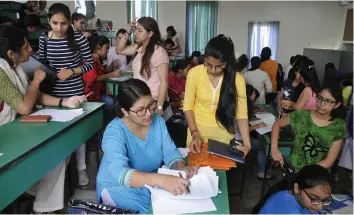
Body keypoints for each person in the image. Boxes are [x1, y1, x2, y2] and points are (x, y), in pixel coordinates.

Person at [0, 25, 86, 213]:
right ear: (11, 53)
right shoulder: (0, 72)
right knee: (53, 155)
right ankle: (36, 200)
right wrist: (37, 81)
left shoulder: (16, 68)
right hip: (6, 139)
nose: (30, 49)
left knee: (61, 150)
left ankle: (42, 205)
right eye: (25, 47)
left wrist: (65, 102)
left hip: (20, 131)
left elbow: (34, 96)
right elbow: (24, 105)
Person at [96, 79, 198, 213]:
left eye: (151, 105)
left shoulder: (158, 121)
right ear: (125, 111)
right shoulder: (115, 132)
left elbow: (170, 153)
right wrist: (162, 180)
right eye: (140, 110)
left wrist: (180, 169)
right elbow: (121, 174)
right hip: (119, 188)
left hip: (150, 183)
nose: (149, 113)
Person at [37, 3, 94, 186]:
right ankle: (58, 172)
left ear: (69, 22)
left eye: (63, 23)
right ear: (48, 21)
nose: (59, 28)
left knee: (77, 132)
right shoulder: (44, 39)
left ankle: (81, 168)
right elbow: (41, 64)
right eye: (55, 23)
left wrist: (72, 71)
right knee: (57, 132)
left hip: (74, 91)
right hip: (53, 94)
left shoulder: (78, 38)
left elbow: (90, 64)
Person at [183, 34, 251, 156]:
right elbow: (188, 107)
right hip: (197, 132)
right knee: (197, 172)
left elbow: (241, 114)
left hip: (223, 135)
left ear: (227, 62)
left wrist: (246, 141)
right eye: (208, 64)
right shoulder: (194, 74)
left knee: (220, 173)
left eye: (219, 66)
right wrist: (194, 132)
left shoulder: (237, 79)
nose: (213, 70)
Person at [271, 85, 347, 170]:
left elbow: (329, 161)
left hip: (317, 174)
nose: (322, 104)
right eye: (320, 98)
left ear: (337, 105)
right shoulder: (301, 115)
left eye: (328, 101)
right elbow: (277, 124)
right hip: (294, 167)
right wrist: (274, 149)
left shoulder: (338, 125)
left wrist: (304, 172)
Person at [116, 17, 169, 116]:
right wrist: (129, 31)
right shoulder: (139, 48)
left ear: (150, 34)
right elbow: (119, 50)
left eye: (140, 31)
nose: (136, 33)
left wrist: (159, 106)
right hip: (140, 98)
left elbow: (164, 80)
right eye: (136, 30)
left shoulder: (159, 52)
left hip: (153, 101)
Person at [256, 164, 335, 214]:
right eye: (314, 199)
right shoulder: (292, 211)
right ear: (297, 188)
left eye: (325, 200)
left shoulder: (285, 192)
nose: (320, 207)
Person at [235, 84, 270, 179]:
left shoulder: (238, 103)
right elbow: (242, 130)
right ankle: (261, 172)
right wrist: (257, 126)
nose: (255, 96)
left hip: (234, 138)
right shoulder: (243, 109)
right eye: (254, 94)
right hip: (238, 140)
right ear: (248, 96)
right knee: (260, 145)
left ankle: (257, 166)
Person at [83, 35, 121, 109]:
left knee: (118, 98)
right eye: (106, 48)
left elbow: (103, 72)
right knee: (112, 103)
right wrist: (111, 74)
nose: (108, 51)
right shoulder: (90, 60)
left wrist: (111, 65)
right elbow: (94, 78)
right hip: (92, 96)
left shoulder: (98, 59)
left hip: (100, 92)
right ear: (98, 48)